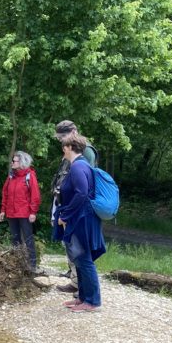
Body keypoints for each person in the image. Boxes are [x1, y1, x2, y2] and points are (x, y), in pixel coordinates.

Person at [52, 132, 105, 311]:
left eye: (63, 146)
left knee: (84, 259)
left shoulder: (77, 167)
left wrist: (65, 215)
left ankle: (93, 301)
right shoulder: (81, 165)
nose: (62, 150)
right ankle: (83, 297)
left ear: (69, 148)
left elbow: (81, 193)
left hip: (82, 219)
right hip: (82, 218)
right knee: (79, 259)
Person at [50, 120, 97, 291]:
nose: (61, 141)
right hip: (64, 202)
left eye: (63, 136)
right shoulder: (70, 152)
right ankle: (75, 277)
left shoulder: (86, 152)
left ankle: (80, 285)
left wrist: (68, 211)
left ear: (74, 132)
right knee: (68, 243)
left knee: (79, 247)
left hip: (76, 207)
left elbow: (83, 185)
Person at [0, 150, 42, 272]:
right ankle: (16, 263)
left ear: (22, 162)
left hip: (25, 213)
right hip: (11, 213)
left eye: (14, 161)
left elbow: (35, 195)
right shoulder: (11, 176)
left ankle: (32, 265)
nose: (12, 163)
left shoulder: (30, 176)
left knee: (28, 238)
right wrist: (3, 210)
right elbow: (5, 193)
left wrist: (33, 212)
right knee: (15, 239)